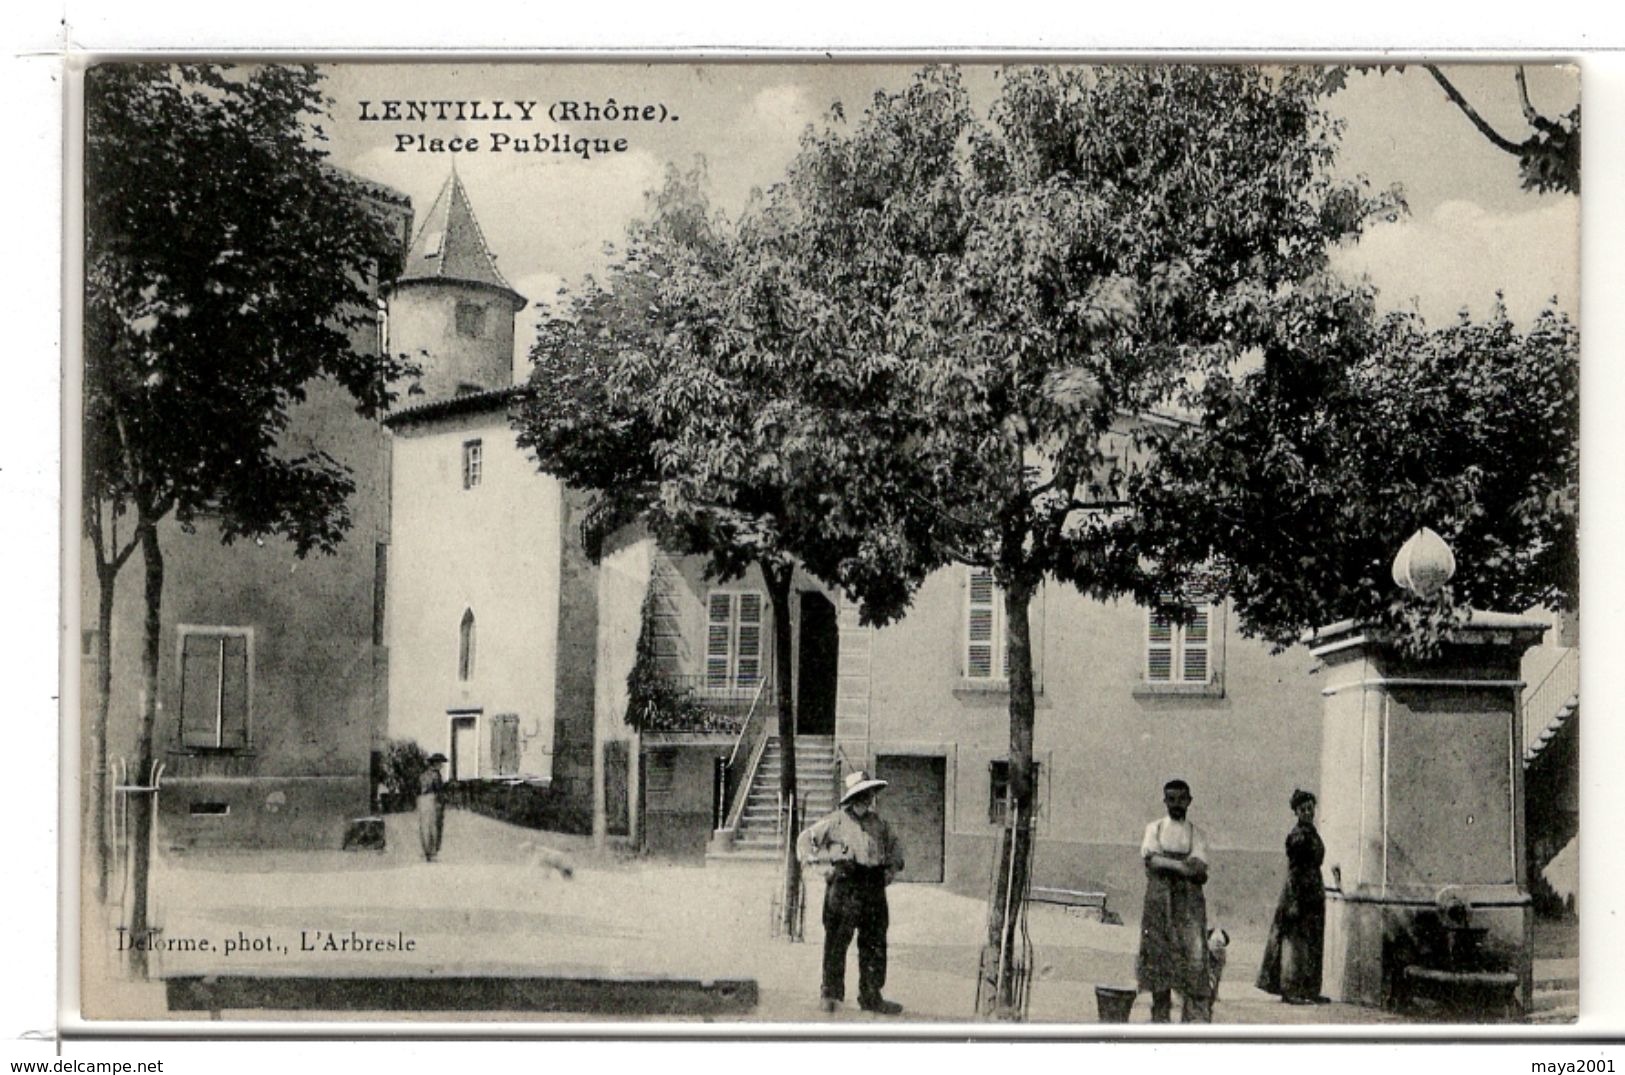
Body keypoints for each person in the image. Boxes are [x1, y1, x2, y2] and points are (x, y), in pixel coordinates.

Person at [796, 770, 906, 1015]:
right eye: (859, 796)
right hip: (845, 884)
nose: (865, 801)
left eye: (868, 796)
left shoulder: (880, 824)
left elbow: (896, 848)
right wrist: (820, 867)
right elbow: (805, 840)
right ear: (850, 798)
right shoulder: (834, 821)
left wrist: (889, 871)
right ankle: (831, 994)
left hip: (873, 886)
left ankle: (871, 995)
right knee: (837, 941)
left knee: (875, 943)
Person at [1136, 778, 1213, 1023]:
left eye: (1181, 799)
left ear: (1189, 801)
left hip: (1189, 906)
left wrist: (1169, 865)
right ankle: (1160, 1017)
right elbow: (1152, 860)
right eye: (1171, 799)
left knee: (1193, 955)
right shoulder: (1154, 828)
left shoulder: (1196, 833)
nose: (1176, 804)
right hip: (1159, 903)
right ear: (1165, 801)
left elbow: (1200, 869)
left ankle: (1190, 1020)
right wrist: (1183, 866)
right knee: (1159, 955)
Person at [1257, 788, 1328, 1005]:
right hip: (1299, 891)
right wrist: (1294, 901)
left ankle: (1309, 990)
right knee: (1295, 943)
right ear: (1296, 812)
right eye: (1303, 809)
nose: (1308, 812)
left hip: (1314, 891)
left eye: (1310, 808)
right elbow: (1295, 870)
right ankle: (1291, 990)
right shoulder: (1297, 836)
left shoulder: (1312, 832)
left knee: (1313, 942)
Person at [418, 752, 447, 862]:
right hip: (433, 800)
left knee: (425, 826)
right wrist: (442, 802)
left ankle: (426, 851)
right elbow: (439, 790)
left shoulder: (424, 775)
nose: (441, 765)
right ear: (435, 763)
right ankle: (433, 852)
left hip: (422, 801)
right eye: (440, 763)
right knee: (435, 826)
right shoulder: (436, 775)